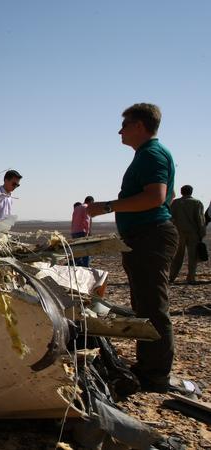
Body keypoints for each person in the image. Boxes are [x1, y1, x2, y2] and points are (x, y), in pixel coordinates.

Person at [86, 103, 178, 393]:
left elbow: (156, 196)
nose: (120, 131)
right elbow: (168, 195)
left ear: (139, 126)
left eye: (124, 125)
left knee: (152, 306)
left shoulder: (151, 154)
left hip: (150, 236)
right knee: (145, 304)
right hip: (146, 236)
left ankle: (156, 375)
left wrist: (108, 206)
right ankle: (148, 366)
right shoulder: (150, 155)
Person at [169, 185, 205, 283]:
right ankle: (191, 278)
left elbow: (170, 217)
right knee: (193, 256)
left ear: (181, 192)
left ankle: (171, 277)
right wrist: (202, 233)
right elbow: (200, 219)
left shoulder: (175, 203)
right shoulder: (196, 203)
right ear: (191, 192)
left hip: (178, 232)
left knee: (177, 256)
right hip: (193, 233)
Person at [70, 196, 94, 267]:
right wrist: (88, 232)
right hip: (82, 232)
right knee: (86, 251)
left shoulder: (77, 208)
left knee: (77, 251)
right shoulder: (86, 207)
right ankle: (86, 267)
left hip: (74, 232)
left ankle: (72, 264)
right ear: (91, 202)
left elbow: (73, 220)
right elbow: (87, 221)